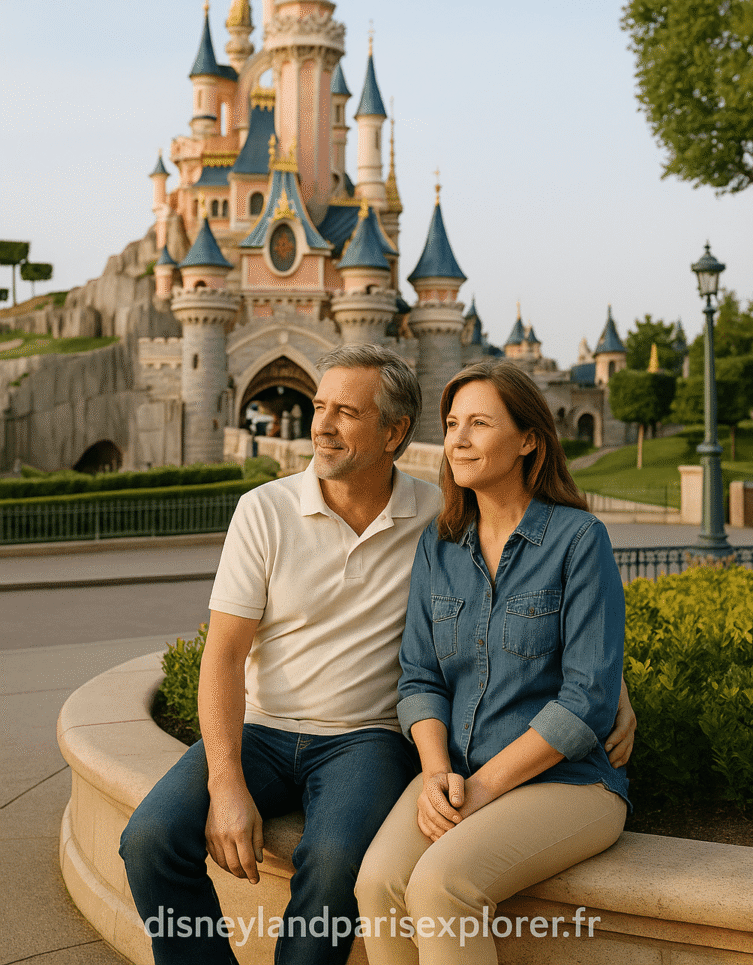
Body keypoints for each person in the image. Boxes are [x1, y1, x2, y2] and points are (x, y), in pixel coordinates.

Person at [120, 346, 635, 965]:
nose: (321, 426)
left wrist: (611, 690)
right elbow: (229, 657)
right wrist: (227, 786)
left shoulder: (437, 519)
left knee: (344, 867)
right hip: (268, 730)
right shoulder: (293, 514)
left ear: (394, 432)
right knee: (149, 839)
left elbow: (574, 651)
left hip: (367, 741)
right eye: (318, 408)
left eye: (345, 412)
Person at [355, 361, 631, 965]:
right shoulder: (440, 542)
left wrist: (478, 790)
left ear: (529, 439)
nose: (457, 439)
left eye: (479, 423)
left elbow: (586, 698)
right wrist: (435, 776)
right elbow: (420, 677)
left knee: (441, 886)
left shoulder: (579, 539)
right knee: (376, 884)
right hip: (454, 774)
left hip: (570, 782)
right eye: (453, 423)